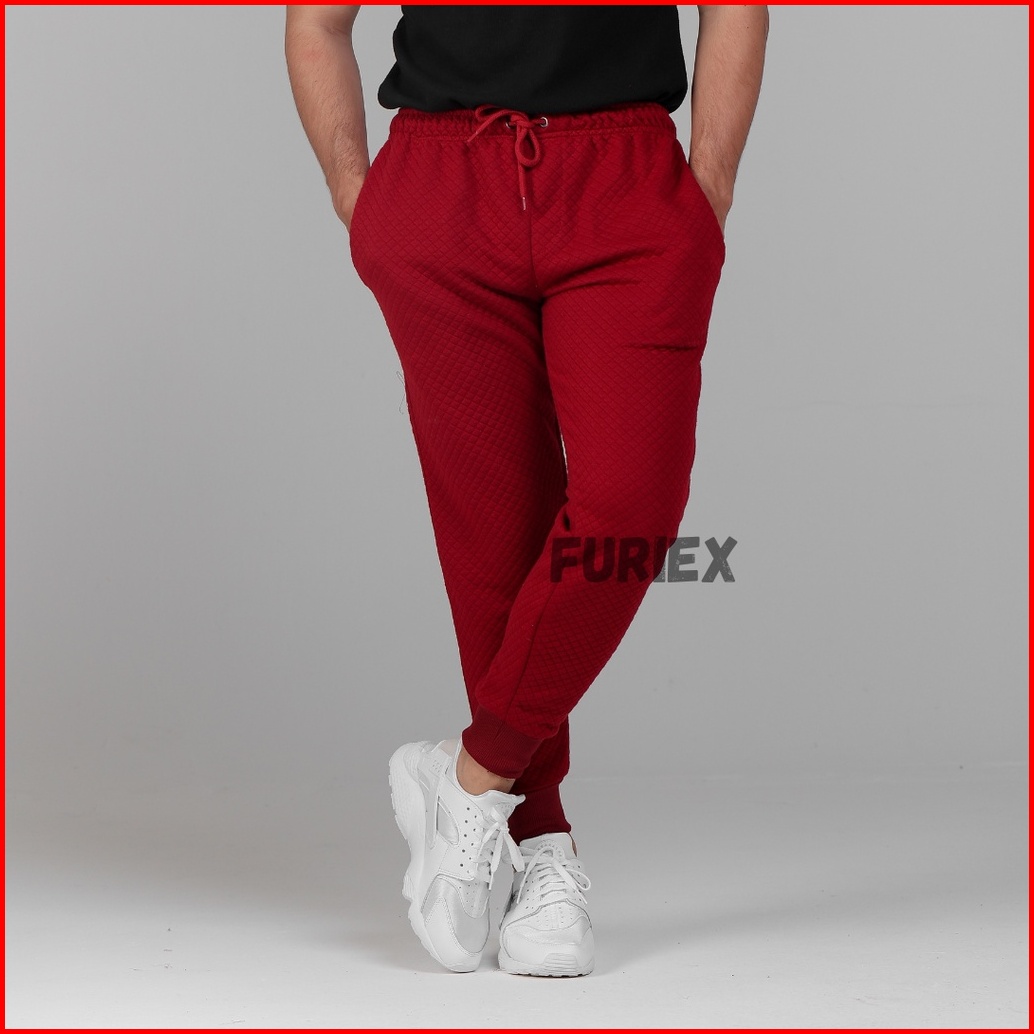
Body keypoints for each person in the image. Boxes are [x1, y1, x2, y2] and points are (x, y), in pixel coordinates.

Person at [286, 3, 768, 977]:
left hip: (623, 180)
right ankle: (539, 844)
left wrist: (708, 186)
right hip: (441, 184)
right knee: (493, 543)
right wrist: (357, 197)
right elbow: (317, 21)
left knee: (628, 513)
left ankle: (469, 777)